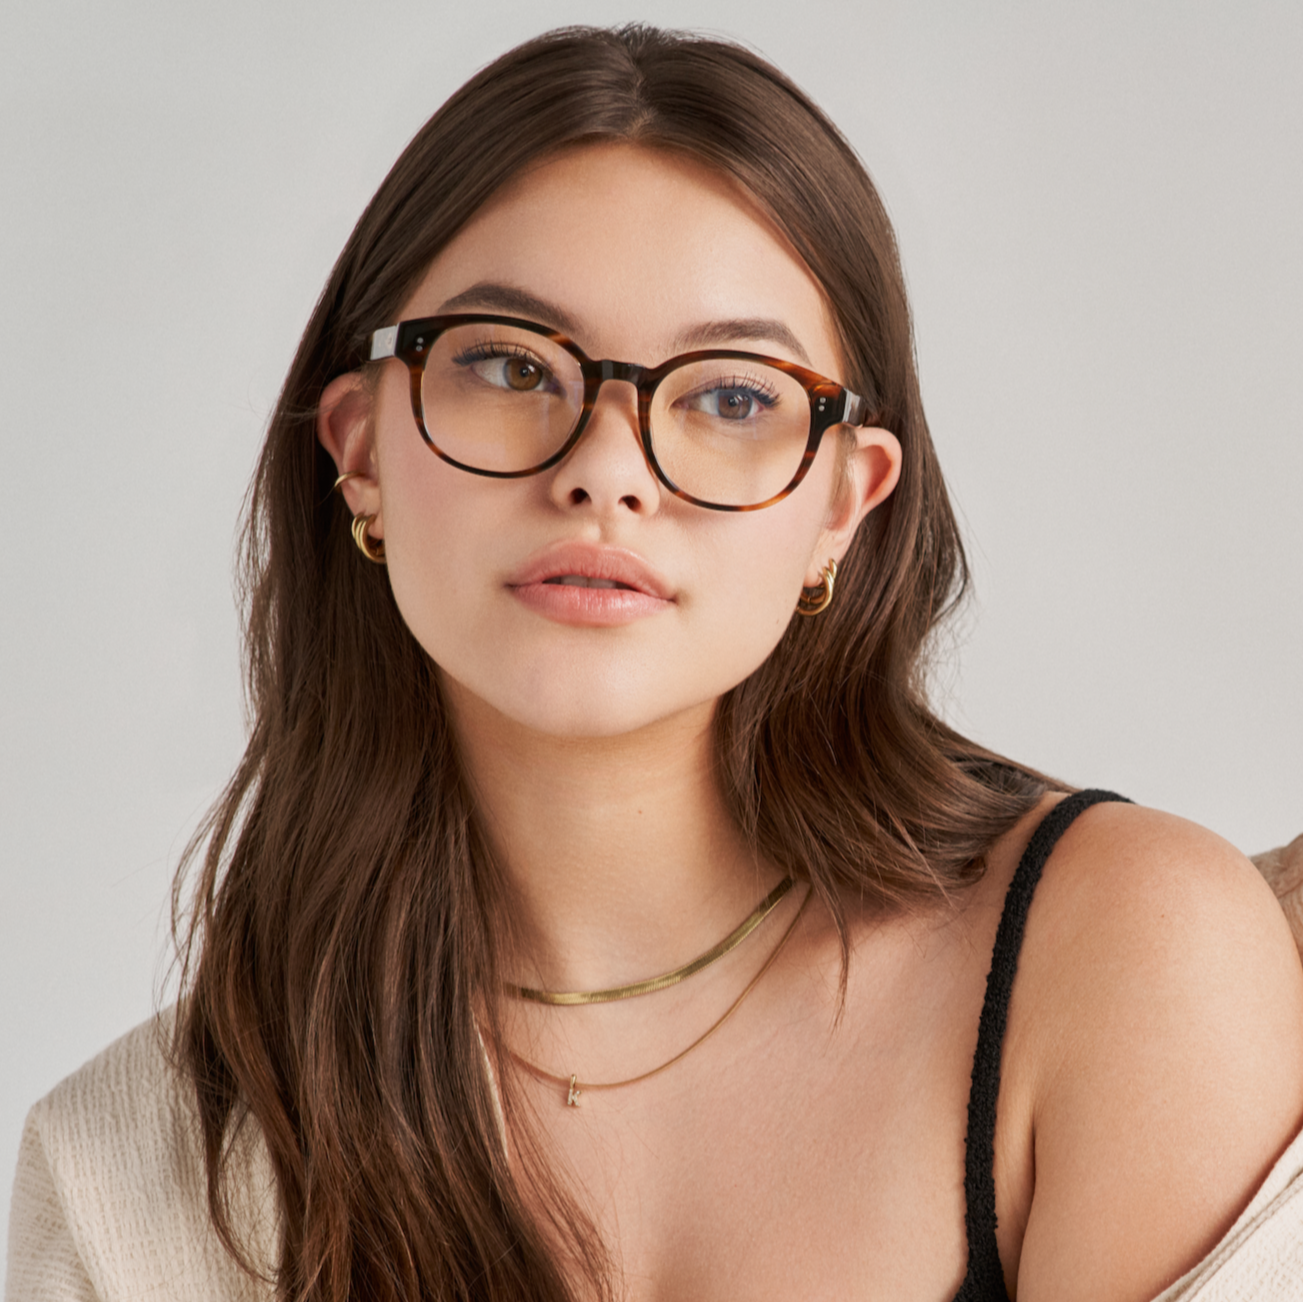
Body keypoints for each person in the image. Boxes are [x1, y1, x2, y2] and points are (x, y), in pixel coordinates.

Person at [8, 24, 1303, 1302]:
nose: (602, 469)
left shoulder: (1119, 961)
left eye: (730, 395)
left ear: (840, 504)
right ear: (359, 449)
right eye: (509, 365)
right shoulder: (135, 1178)